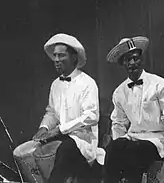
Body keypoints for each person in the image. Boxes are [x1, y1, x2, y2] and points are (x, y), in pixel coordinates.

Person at [18, 33, 102, 183]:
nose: (56, 60)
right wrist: (44, 128)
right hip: (61, 136)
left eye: (61, 56)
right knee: (26, 152)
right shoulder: (55, 84)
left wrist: (58, 130)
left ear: (74, 57)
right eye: (55, 56)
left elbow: (91, 116)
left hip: (81, 140)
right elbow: (51, 112)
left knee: (63, 150)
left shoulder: (88, 83)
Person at [104, 36, 164, 183]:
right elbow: (118, 123)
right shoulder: (119, 92)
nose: (132, 63)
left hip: (156, 139)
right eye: (127, 60)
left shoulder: (159, 84)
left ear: (141, 59)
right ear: (122, 63)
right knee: (113, 149)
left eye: (135, 58)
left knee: (134, 152)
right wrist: (118, 145)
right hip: (132, 137)